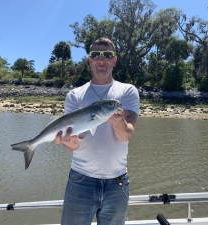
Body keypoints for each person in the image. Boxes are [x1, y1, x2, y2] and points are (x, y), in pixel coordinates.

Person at [54, 37, 140, 225]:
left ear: (114, 60)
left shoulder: (127, 92)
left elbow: (126, 135)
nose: (102, 59)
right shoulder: (74, 95)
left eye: (107, 55)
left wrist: (117, 121)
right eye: (96, 55)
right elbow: (74, 144)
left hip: (117, 182)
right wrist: (69, 143)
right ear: (90, 60)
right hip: (80, 180)